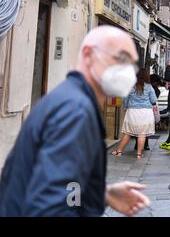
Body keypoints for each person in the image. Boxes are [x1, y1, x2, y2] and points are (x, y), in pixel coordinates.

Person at [0, 26, 150, 216]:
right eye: (120, 59)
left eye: (131, 64)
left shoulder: (68, 98)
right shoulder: (76, 110)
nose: (127, 71)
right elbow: (49, 207)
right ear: (88, 55)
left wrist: (102, 194)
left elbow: (63, 185)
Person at [112, 68, 157, 158]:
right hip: (145, 112)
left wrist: (125, 107)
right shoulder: (149, 87)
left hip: (132, 112)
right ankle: (139, 154)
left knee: (128, 133)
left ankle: (119, 151)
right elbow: (153, 100)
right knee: (142, 134)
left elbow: (125, 99)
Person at [133, 73, 162, 151]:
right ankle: (145, 144)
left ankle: (138, 144)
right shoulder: (153, 89)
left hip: (137, 110)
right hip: (148, 111)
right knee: (145, 128)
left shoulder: (137, 86)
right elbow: (153, 101)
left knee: (138, 127)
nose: (158, 85)